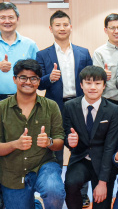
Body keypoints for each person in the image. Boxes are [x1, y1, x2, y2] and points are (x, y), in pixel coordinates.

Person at [0, 59, 66, 209]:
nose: (28, 82)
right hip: (13, 172)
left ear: (39, 82)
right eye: (23, 77)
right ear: (15, 79)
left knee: (54, 190)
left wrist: (48, 142)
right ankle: (37, 204)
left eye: (34, 78)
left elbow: (59, 142)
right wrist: (15, 144)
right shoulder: (0, 108)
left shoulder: (51, 106)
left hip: (43, 165)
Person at [0, 2, 39, 209]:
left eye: (11, 17)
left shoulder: (30, 44)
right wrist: (0, 65)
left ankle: (28, 191)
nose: (7, 21)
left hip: (24, 100)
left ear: (17, 19)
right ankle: (0, 195)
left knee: (25, 145)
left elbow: (35, 70)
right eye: (2, 17)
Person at [60, 66, 118, 209]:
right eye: (88, 83)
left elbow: (111, 147)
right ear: (81, 85)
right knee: (71, 182)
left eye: (97, 83)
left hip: (104, 162)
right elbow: (66, 134)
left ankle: (101, 208)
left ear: (104, 86)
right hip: (81, 158)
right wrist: (68, 141)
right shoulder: (70, 106)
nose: (92, 87)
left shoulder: (112, 110)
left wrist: (102, 182)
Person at [37, 11, 93, 179]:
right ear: (51, 28)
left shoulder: (83, 52)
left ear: (70, 27)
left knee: (81, 147)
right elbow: (38, 84)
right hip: (54, 107)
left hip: (79, 105)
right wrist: (49, 78)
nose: (62, 28)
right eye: (57, 25)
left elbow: (90, 79)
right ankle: (57, 186)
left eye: (65, 25)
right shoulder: (42, 54)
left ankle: (81, 192)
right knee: (56, 147)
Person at [94, 13, 118, 109]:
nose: (116, 31)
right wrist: (102, 75)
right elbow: (95, 80)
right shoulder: (99, 53)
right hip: (108, 101)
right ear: (106, 30)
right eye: (112, 28)